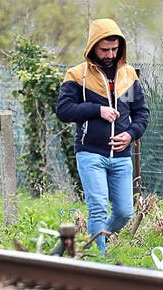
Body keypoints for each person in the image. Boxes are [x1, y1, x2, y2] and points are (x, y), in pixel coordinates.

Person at [54, 19, 150, 255]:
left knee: (124, 212)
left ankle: (90, 244)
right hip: (90, 153)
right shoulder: (77, 75)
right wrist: (96, 110)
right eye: (104, 49)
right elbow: (63, 111)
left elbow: (142, 113)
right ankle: (100, 258)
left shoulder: (129, 76)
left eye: (114, 49)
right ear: (93, 47)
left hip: (121, 157)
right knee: (97, 208)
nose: (110, 54)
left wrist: (130, 134)